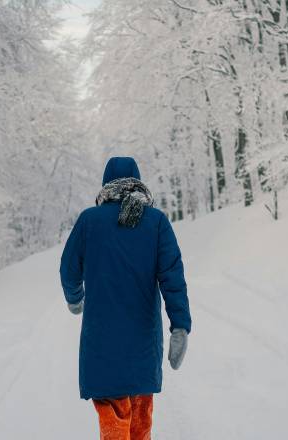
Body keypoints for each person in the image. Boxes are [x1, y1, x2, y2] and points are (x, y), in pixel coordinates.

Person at [59, 156, 192, 440]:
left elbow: (68, 270)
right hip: (144, 344)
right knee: (140, 422)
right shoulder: (156, 222)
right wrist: (179, 325)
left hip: (101, 344)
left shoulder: (89, 221)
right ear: (137, 183)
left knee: (114, 420)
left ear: (106, 185)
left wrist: (75, 298)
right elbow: (173, 278)